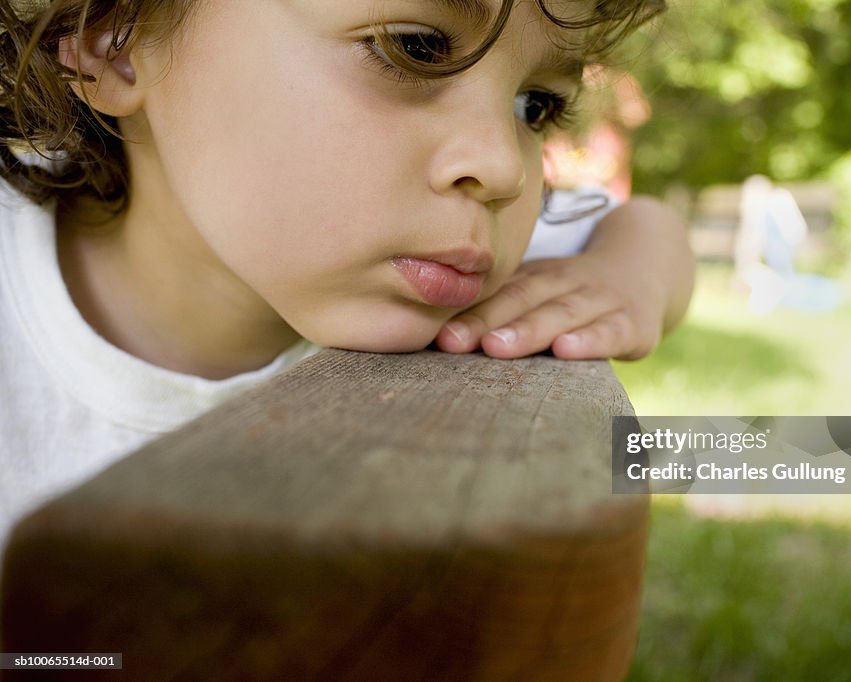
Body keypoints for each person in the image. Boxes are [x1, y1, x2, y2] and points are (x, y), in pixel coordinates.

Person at [0, 0, 694, 544]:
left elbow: (647, 230)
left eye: (534, 107)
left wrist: (625, 278)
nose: (504, 167)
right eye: (414, 46)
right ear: (118, 41)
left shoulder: (458, 255)